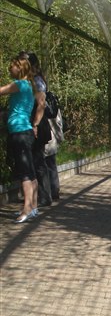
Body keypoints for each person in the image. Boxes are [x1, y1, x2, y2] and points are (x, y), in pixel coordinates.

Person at [0, 56, 39, 222]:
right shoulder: (28, 85)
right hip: (25, 132)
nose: (10, 68)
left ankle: (26, 210)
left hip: (20, 132)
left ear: (20, 68)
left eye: (13, 66)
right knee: (30, 171)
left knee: (25, 173)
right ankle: (33, 207)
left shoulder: (20, 84)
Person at [18, 52, 52, 207]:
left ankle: (44, 195)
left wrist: (35, 124)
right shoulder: (30, 81)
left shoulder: (37, 81)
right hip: (32, 123)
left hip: (37, 124)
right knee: (35, 160)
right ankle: (37, 196)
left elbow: (41, 104)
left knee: (38, 160)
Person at [44, 107, 64, 200]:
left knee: (43, 166)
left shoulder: (39, 102)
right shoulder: (53, 104)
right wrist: (60, 138)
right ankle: (54, 191)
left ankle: (47, 193)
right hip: (51, 139)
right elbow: (58, 123)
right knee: (51, 166)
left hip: (43, 138)